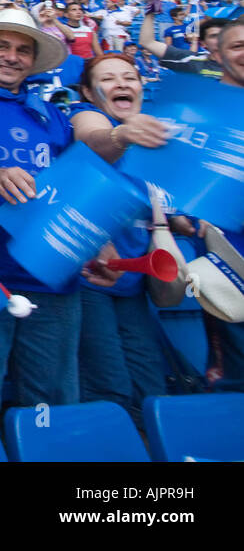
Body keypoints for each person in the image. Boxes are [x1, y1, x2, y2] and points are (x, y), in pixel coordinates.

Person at [0, 8, 95, 419]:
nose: (11, 57)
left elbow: (74, 183)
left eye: (23, 50)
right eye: (2, 46)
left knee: (52, 403)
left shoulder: (50, 115)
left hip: (50, 276)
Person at [69, 52, 172, 428]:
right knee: (107, 389)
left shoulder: (155, 136)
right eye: (108, 79)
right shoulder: (88, 116)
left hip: (134, 284)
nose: (122, 84)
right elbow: (91, 137)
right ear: (87, 92)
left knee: (152, 388)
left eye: (130, 77)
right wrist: (121, 134)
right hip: (88, 281)